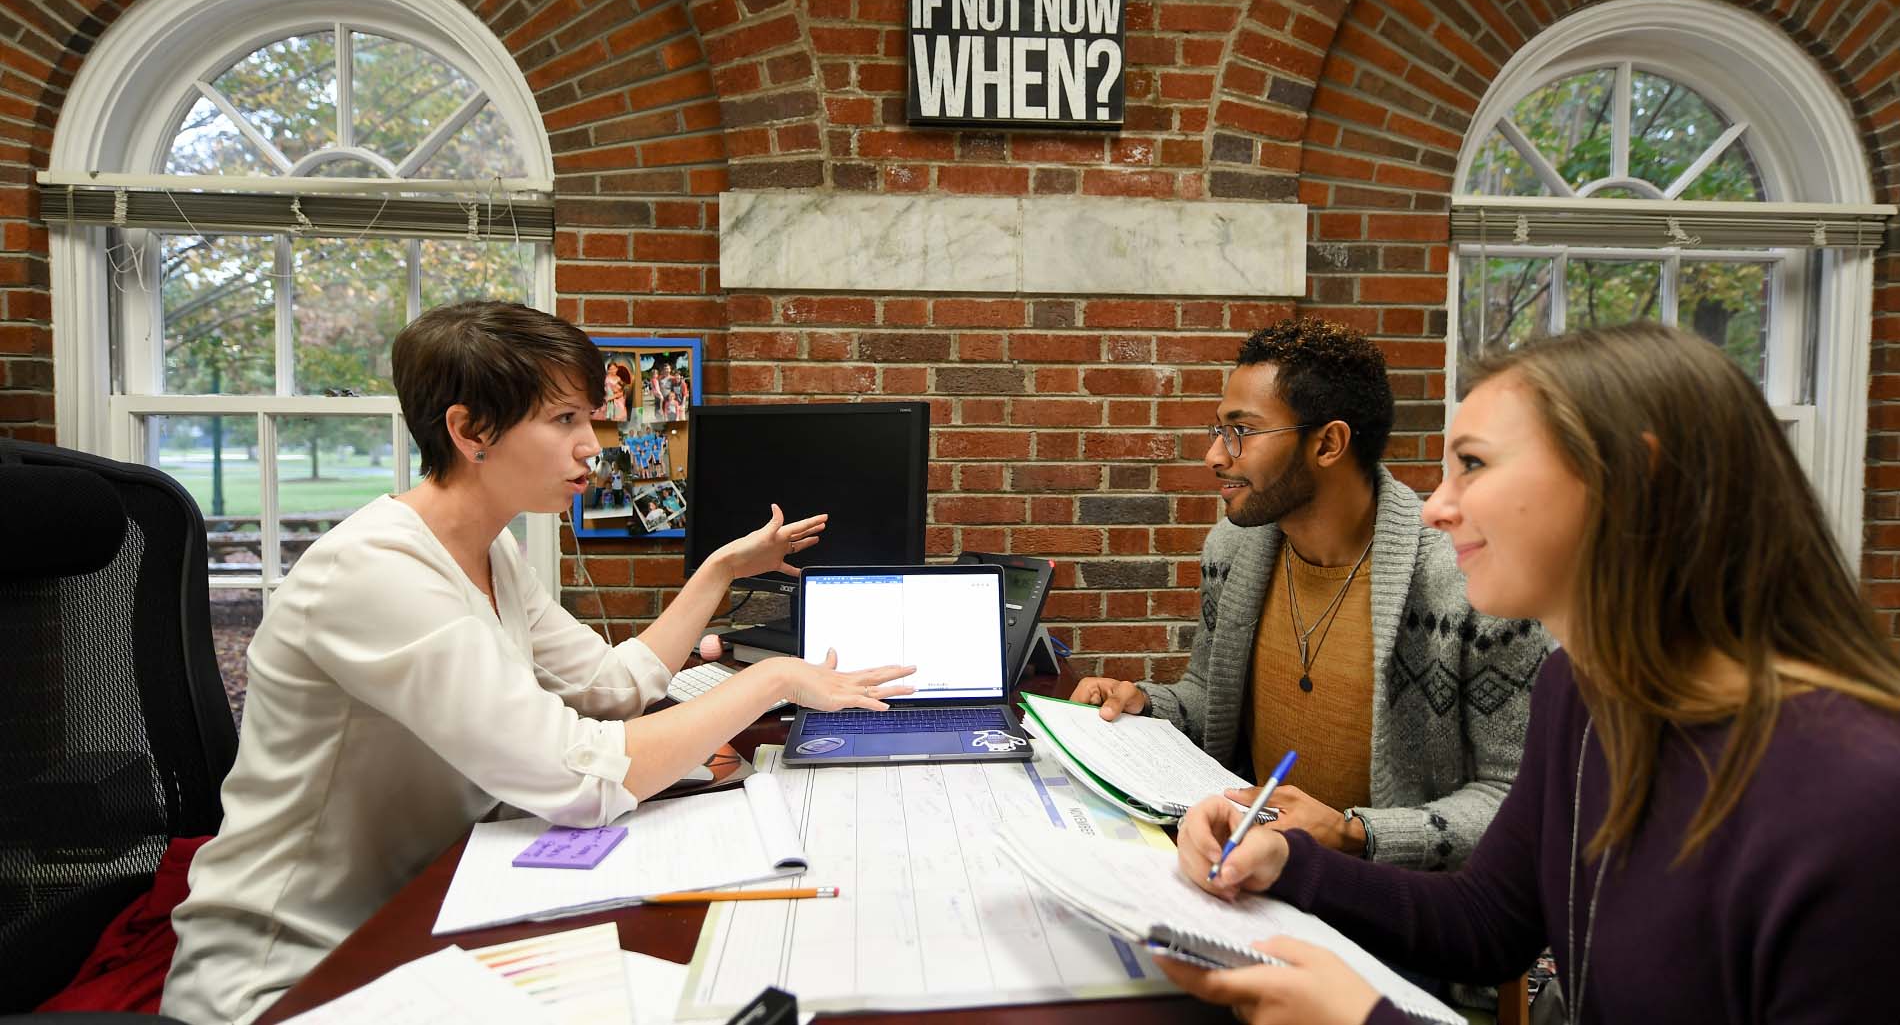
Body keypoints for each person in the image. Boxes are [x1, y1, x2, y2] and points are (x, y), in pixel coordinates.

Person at [161, 301, 916, 1025]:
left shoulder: (492, 550)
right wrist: (773, 678)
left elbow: (611, 687)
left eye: (587, 416)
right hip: (300, 969)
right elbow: (577, 780)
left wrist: (718, 570)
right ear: (470, 430)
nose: (592, 443)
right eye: (564, 419)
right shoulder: (374, 571)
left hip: (428, 911)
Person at [1164, 324, 1900, 1024]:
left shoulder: (1857, 803)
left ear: (1628, 478)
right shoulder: (1582, 693)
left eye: (1474, 465)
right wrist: (1285, 862)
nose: (1435, 512)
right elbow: (1489, 922)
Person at [1073, 318, 1548, 870]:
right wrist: (1146, 705)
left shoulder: (1471, 587)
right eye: (1218, 431)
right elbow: (1212, 702)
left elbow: (1516, 800)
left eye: (1240, 431)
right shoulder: (1232, 550)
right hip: (1257, 880)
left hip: (1410, 913)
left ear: (1328, 443)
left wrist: (1353, 834)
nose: (1215, 456)